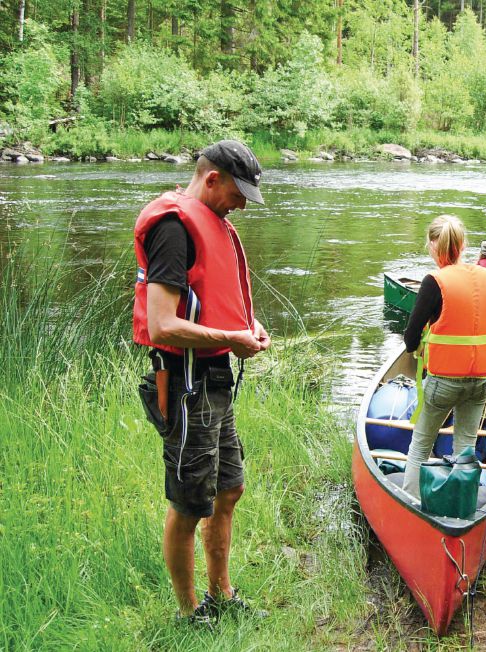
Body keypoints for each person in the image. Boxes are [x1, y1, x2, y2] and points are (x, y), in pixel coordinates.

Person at [133, 140, 270, 625]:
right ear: (212, 179)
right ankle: (190, 612)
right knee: (189, 502)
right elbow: (162, 324)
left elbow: (213, 303)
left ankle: (222, 594)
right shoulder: (173, 229)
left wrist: (246, 329)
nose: (242, 206)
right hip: (186, 384)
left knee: (228, 489)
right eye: (238, 194)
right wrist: (229, 338)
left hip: (215, 378)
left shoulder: (216, 223)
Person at [402, 215, 486, 499]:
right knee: (464, 448)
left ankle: (414, 504)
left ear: (432, 245)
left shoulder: (434, 281)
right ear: (464, 245)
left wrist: (423, 344)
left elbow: (409, 339)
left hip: (443, 382)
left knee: (421, 444)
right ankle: (460, 505)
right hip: (480, 382)